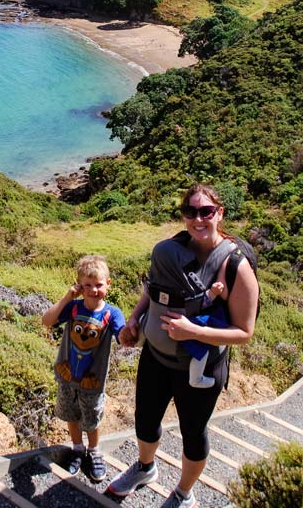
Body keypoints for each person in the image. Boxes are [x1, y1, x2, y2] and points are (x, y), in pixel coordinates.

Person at [106, 184, 259, 508]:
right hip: (156, 357)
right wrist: (135, 320)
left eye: (206, 211)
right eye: (191, 212)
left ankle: (183, 493)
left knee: (193, 432)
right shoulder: (173, 247)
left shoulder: (235, 266)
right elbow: (154, 290)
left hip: (200, 367)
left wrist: (193, 332)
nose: (198, 219)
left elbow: (245, 332)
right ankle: (145, 468)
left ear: (220, 213)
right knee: (145, 419)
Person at [42, 254, 125, 483]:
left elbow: (124, 336)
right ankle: (77, 449)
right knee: (71, 413)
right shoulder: (74, 308)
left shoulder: (112, 314)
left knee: (92, 418)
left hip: (92, 381)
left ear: (108, 284)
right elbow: (47, 320)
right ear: (79, 285)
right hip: (68, 377)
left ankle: (94, 451)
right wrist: (69, 295)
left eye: (98, 285)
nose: (93, 290)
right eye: (87, 285)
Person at [184, 281, 226, 388]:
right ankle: (196, 379)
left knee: (202, 351)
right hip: (197, 321)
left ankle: (196, 378)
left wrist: (212, 293)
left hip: (199, 320)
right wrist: (212, 293)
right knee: (202, 351)